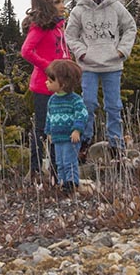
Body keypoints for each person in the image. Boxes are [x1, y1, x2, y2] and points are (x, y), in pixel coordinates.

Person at [65, 0, 137, 162]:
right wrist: (82, 53)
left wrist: (123, 50)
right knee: (87, 103)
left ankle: (116, 143)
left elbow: (130, 27)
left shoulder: (115, 6)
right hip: (88, 65)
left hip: (113, 64)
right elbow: (70, 35)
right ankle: (85, 141)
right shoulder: (78, 10)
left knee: (113, 105)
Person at [21, 0, 70, 184]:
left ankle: (56, 170)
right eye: (57, 2)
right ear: (46, 4)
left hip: (60, 85)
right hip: (44, 86)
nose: (62, 5)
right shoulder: (40, 28)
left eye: (62, 1)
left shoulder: (58, 26)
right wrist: (49, 67)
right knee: (42, 129)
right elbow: (26, 51)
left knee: (59, 127)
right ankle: (35, 170)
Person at [44, 59, 89, 193]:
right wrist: (49, 132)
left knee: (69, 161)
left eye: (51, 81)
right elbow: (49, 117)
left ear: (63, 84)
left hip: (70, 138)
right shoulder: (52, 100)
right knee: (59, 162)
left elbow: (82, 115)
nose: (47, 83)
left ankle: (72, 183)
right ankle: (63, 182)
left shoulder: (75, 100)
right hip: (57, 138)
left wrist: (77, 129)